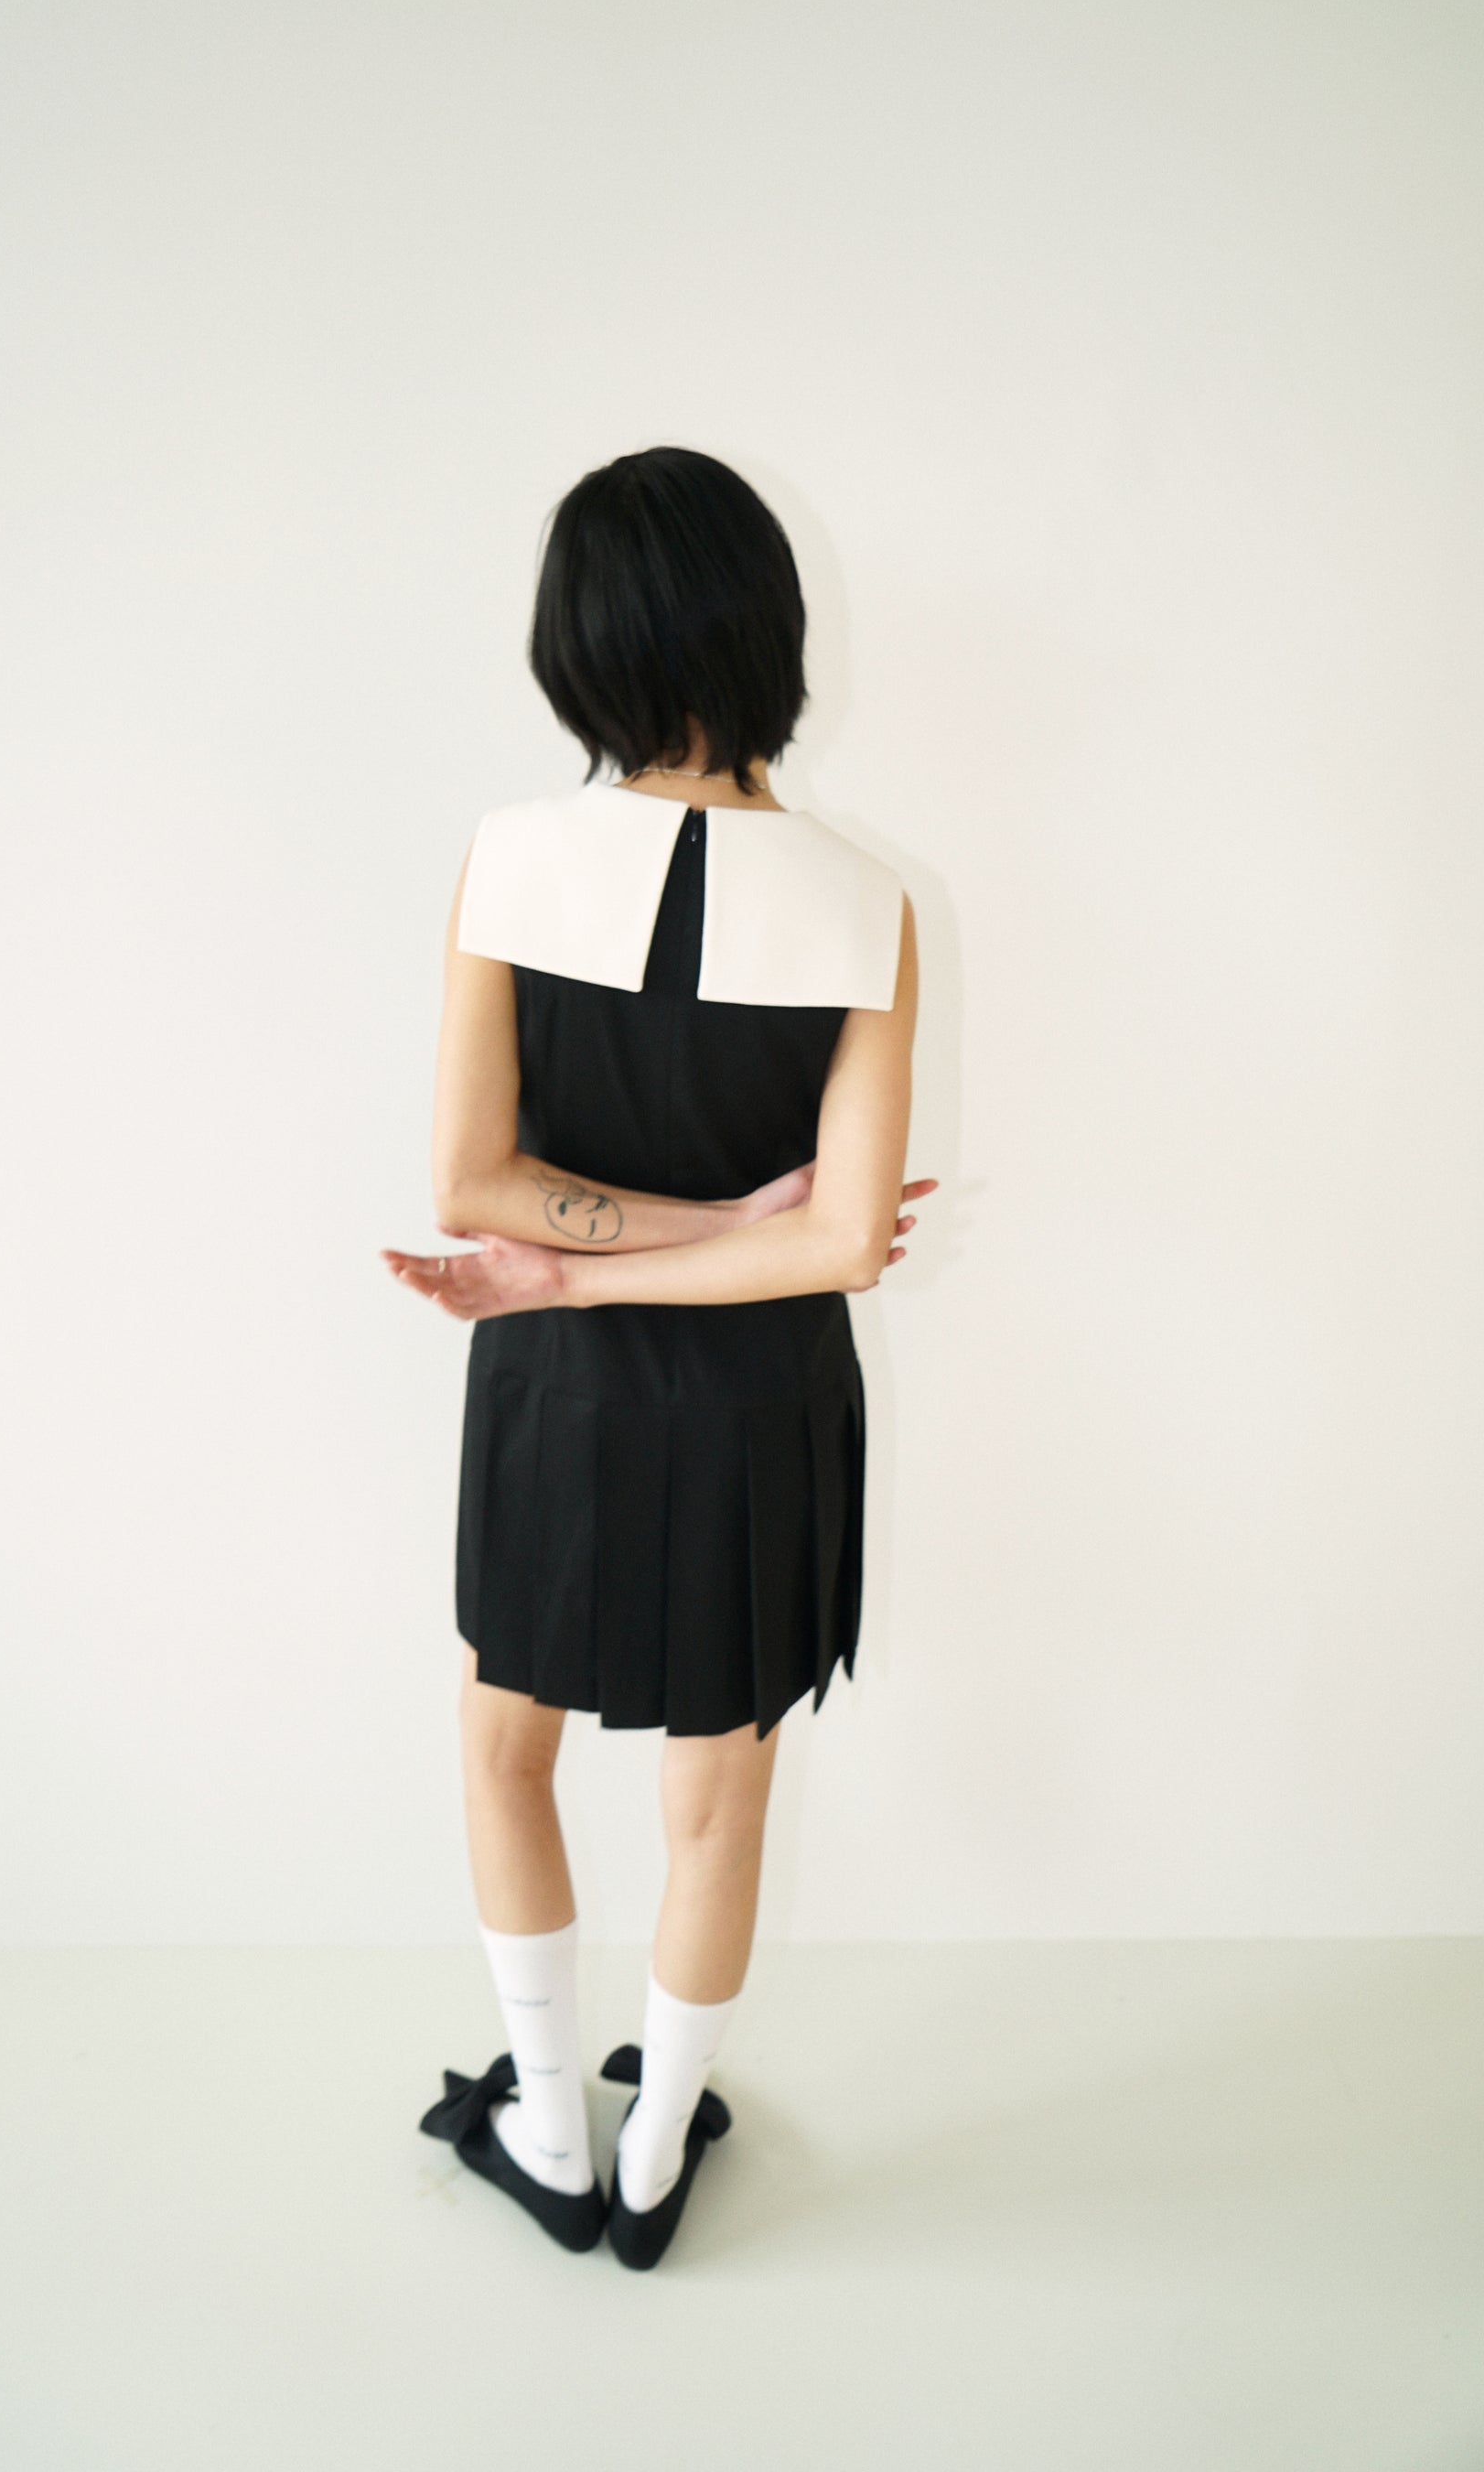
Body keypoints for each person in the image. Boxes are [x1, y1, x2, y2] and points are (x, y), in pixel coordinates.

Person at [382, 446, 929, 2269]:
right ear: (768, 628)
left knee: (505, 1746)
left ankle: (550, 2126)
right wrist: (738, 1224)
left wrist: (571, 1270)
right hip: (769, 1400)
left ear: (582, 647)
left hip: (560, 1384)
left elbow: (474, 1184)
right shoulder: (866, 903)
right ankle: (656, 2148)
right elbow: (839, 1242)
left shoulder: (510, 860)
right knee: (721, 1793)